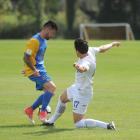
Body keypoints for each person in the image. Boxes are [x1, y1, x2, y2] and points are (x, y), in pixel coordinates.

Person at [45, 38, 120, 130]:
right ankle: (50, 121)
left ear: (77, 51)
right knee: (62, 98)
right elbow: (102, 48)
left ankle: (108, 125)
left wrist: (78, 66)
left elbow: (84, 68)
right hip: (76, 87)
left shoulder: (86, 62)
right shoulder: (90, 50)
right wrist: (112, 43)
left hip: (83, 93)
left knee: (78, 123)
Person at [23, 20, 58, 124]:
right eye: (53, 33)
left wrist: (27, 69)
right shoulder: (34, 41)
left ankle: (30, 110)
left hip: (40, 70)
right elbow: (26, 57)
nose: (52, 36)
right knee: (52, 88)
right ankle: (43, 113)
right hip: (36, 71)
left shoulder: (44, 41)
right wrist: (31, 70)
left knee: (50, 92)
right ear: (47, 29)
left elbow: (37, 58)